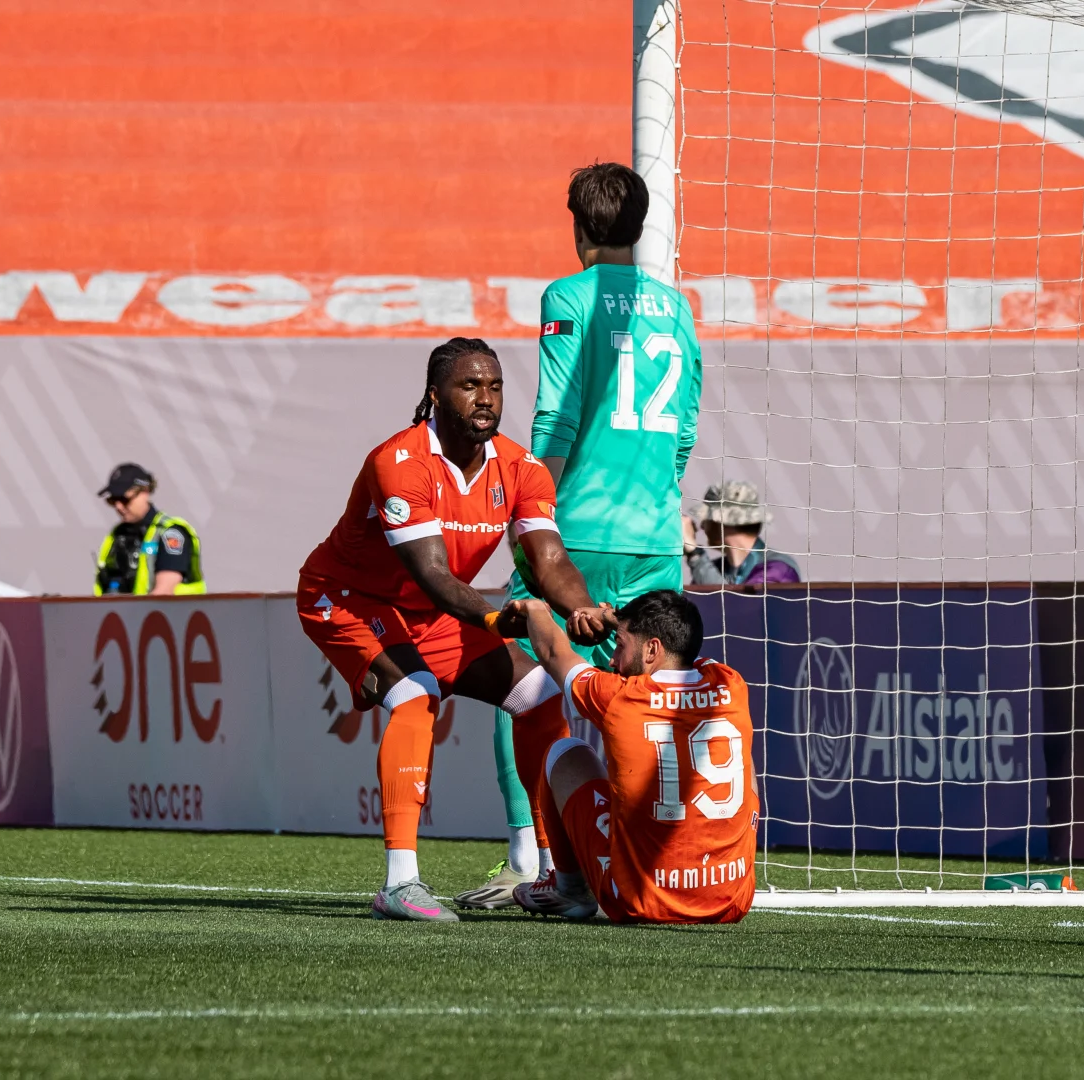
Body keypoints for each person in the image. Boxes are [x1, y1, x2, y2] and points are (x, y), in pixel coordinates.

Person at [295, 337, 615, 921]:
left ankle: (559, 876)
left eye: (494, 386)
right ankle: (400, 884)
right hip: (346, 600)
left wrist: (581, 609)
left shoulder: (522, 469)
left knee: (540, 696)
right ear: (435, 395)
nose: (485, 398)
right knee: (416, 694)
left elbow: (549, 559)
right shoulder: (398, 462)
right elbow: (434, 574)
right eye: (469, 385)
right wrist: (493, 618)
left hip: (430, 613)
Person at [458, 162, 705, 911]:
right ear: (642, 225)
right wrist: (658, 494)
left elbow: (558, 414)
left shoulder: (567, 296)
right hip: (656, 535)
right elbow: (684, 428)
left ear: (577, 226)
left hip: (579, 531)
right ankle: (654, 854)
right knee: (647, 699)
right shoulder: (677, 306)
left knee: (525, 683)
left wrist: (530, 510)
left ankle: (534, 861)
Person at [503, 589, 759, 925]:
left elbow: (553, 652)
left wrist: (535, 608)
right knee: (743, 756)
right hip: (731, 900)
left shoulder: (619, 696)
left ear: (652, 649)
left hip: (641, 901)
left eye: (620, 645)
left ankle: (569, 890)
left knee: (564, 753)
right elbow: (686, 650)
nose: (612, 661)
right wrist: (616, 620)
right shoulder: (730, 683)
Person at [94, 463, 205, 595]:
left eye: (124, 499)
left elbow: (164, 592)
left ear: (145, 492)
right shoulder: (117, 535)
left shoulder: (170, 533)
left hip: (167, 609)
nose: (118, 506)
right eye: (112, 500)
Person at [682, 480, 801, 586]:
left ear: (724, 522)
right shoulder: (715, 569)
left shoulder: (778, 569)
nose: (702, 526)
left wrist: (694, 553)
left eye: (707, 519)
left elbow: (739, 602)